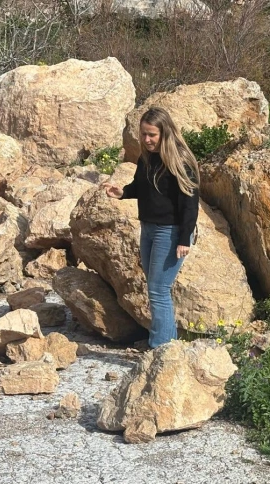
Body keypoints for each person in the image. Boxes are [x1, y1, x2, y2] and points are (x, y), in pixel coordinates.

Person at [101, 107, 199, 349]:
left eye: (152, 135)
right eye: (144, 134)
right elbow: (140, 186)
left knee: (158, 290)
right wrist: (122, 193)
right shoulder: (146, 157)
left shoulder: (181, 160)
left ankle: (161, 348)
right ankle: (165, 343)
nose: (147, 140)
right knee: (155, 288)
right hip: (149, 229)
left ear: (164, 132)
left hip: (171, 231)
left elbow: (190, 204)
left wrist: (184, 239)